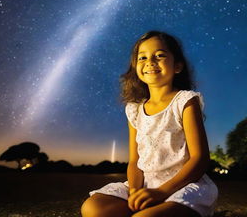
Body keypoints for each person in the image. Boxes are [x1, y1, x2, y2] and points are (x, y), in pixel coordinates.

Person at [81, 31, 218, 217]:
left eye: (160, 55)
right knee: (93, 208)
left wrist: (162, 192)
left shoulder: (185, 101)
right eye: (142, 57)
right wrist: (136, 192)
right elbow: (135, 161)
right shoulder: (134, 109)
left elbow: (199, 159)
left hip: (182, 186)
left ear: (177, 66)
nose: (150, 62)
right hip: (146, 184)